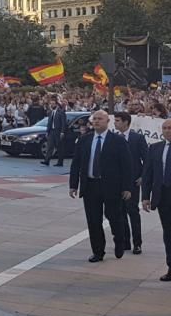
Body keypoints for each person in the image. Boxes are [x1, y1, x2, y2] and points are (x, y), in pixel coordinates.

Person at [68, 110, 132, 263]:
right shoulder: (84, 140)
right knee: (93, 220)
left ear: (107, 121)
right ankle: (98, 251)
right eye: (94, 119)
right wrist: (73, 185)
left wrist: (127, 187)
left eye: (100, 119)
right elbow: (76, 163)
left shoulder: (117, 140)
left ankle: (119, 240)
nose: (96, 121)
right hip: (90, 185)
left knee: (114, 217)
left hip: (111, 186)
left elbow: (127, 165)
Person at [113, 111, 147, 255]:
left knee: (132, 211)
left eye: (118, 120)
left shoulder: (137, 138)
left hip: (133, 181)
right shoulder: (113, 138)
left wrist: (142, 177)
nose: (115, 123)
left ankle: (137, 243)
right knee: (120, 212)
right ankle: (125, 241)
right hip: (117, 181)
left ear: (126, 122)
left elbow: (147, 159)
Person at [142, 119, 171, 281]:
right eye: (165, 128)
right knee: (168, 233)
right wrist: (146, 197)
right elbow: (148, 174)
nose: (167, 131)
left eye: (170, 128)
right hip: (163, 197)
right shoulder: (155, 148)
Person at [42, 96, 68, 167]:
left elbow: (63, 123)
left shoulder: (61, 112)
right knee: (50, 146)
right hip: (52, 131)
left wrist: (62, 132)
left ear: (56, 104)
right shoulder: (51, 112)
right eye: (51, 104)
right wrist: (47, 131)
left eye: (53, 104)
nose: (52, 105)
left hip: (58, 131)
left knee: (59, 147)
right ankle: (47, 160)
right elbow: (49, 123)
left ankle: (60, 162)